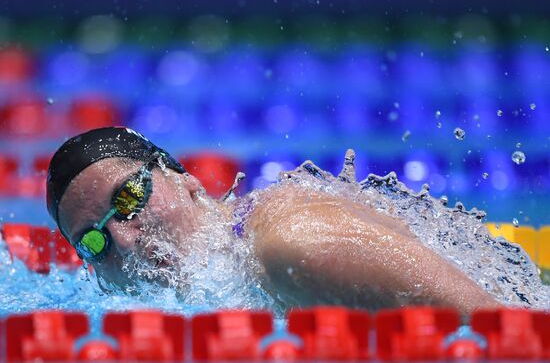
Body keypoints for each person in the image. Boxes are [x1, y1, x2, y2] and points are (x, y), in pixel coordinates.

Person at [48, 126, 535, 316]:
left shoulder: (292, 244)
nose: (125, 241)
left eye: (130, 197)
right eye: (94, 242)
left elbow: (508, 328)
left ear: (187, 179)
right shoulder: (229, 278)